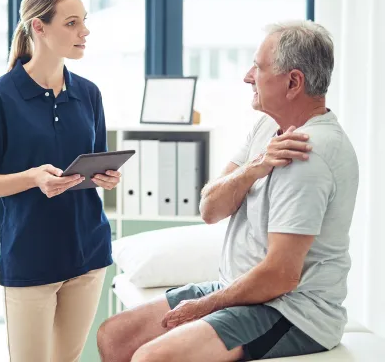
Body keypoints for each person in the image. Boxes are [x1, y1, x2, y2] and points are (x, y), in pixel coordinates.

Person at [97, 20, 359, 362]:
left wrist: (204, 307)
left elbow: (281, 275)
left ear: (293, 82)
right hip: (242, 291)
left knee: (153, 357)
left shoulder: (308, 153)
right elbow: (210, 209)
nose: (248, 76)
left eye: (259, 68)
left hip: (292, 311)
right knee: (114, 336)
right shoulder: (269, 127)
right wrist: (255, 168)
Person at [0, 0, 120, 362]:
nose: (85, 32)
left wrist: (106, 176)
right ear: (39, 28)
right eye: (72, 23)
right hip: (30, 257)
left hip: (88, 253)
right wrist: (31, 177)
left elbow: (94, 162)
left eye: (85, 21)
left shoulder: (89, 93)